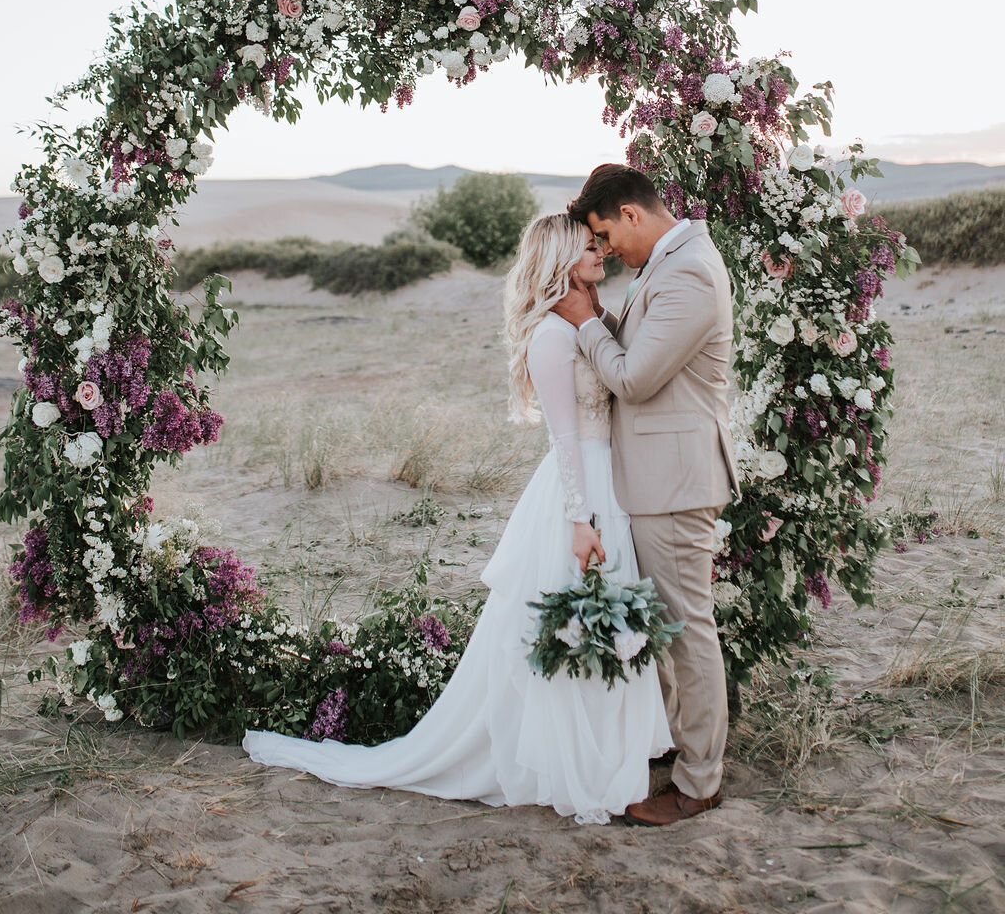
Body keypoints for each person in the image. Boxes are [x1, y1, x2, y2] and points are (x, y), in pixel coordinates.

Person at [242, 212, 670, 824]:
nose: (600, 251)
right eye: (588, 246)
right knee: (574, 626)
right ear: (558, 260)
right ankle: (573, 766)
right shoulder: (552, 335)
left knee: (608, 623)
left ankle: (606, 759)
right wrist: (582, 519)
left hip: (617, 484)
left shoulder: (595, 320)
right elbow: (564, 437)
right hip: (581, 494)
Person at [554, 164, 738, 827]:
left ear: (631, 214)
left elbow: (632, 377)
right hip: (656, 477)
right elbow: (637, 348)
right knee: (667, 630)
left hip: (678, 479)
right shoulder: (668, 262)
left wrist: (584, 324)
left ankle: (699, 782)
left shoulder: (687, 270)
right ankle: (669, 751)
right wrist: (600, 315)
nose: (605, 252)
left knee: (687, 632)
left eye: (604, 235)